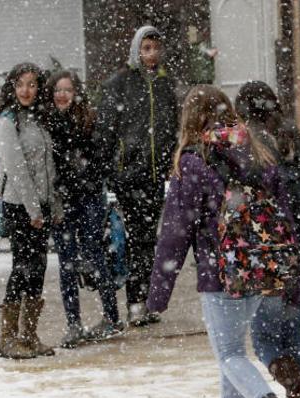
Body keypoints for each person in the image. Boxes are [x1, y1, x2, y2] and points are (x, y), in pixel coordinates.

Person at [146, 85, 300, 398]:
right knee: (232, 350)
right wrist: (290, 271)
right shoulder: (255, 149)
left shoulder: (194, 162)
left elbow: (175, 232)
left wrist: (156, 295)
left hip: (220, 272)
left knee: (230, 353)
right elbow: (283, 212)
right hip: (259, 267)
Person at [235, 81, 300, 398]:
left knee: (265, 339)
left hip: (274, 257)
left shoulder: (249, 147)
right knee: (294, 334)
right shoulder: (293, 138)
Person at [95, 25, 179, 327]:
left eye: (156, 48)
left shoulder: (166, 84)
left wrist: (172, 158)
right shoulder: (120, 83)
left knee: (147, 240)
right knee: (132, 241)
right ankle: (132, 302)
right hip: (128, 175)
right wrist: (110, 170)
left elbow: (172, 126)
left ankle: (141, 301)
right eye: (146, 49)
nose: (152, 55)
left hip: (154, 175)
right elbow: (105, 130)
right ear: (136, 50)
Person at [44, 70, 123, 348]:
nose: (62, 95)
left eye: (67, 89)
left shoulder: (89, 119)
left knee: (95, 254)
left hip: (88, 197)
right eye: (58, 90)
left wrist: (87, 180)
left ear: (76, 92)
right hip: (62, 201)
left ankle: (111, 316)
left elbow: (102, 156)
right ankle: (74, 323)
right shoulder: (47, 123)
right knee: (66, 262)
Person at [0, 62, 62, 359]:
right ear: (12, 86)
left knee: (38, 269)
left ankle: (29, 335)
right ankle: (7, 338)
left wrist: (52, 203)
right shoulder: (7, 122)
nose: (26, 90)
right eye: (21, 84)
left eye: (32, 84)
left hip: (41, 205)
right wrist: (33, 210)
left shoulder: (39, 119)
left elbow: (49, 166)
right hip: (18, 205)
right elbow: (16, 170)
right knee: (22, 268)